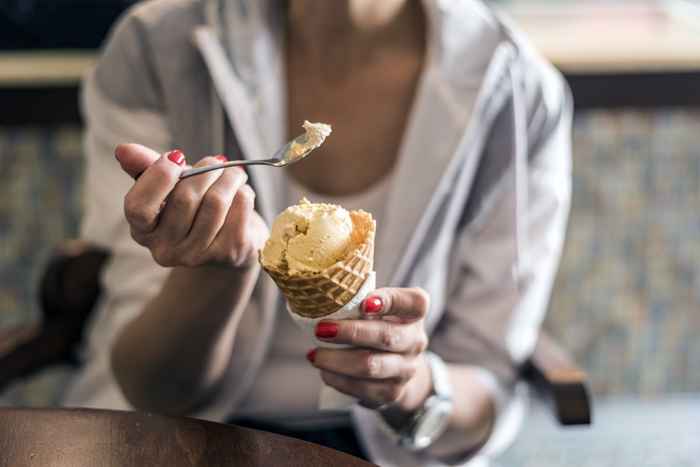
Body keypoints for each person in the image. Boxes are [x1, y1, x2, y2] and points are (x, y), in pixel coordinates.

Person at [62, 0, 572, 465]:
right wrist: (219, 272)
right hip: (174, 441)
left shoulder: (517, 88)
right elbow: (151, 388)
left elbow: (488, 387)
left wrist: (410, 384)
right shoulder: (157, 46)